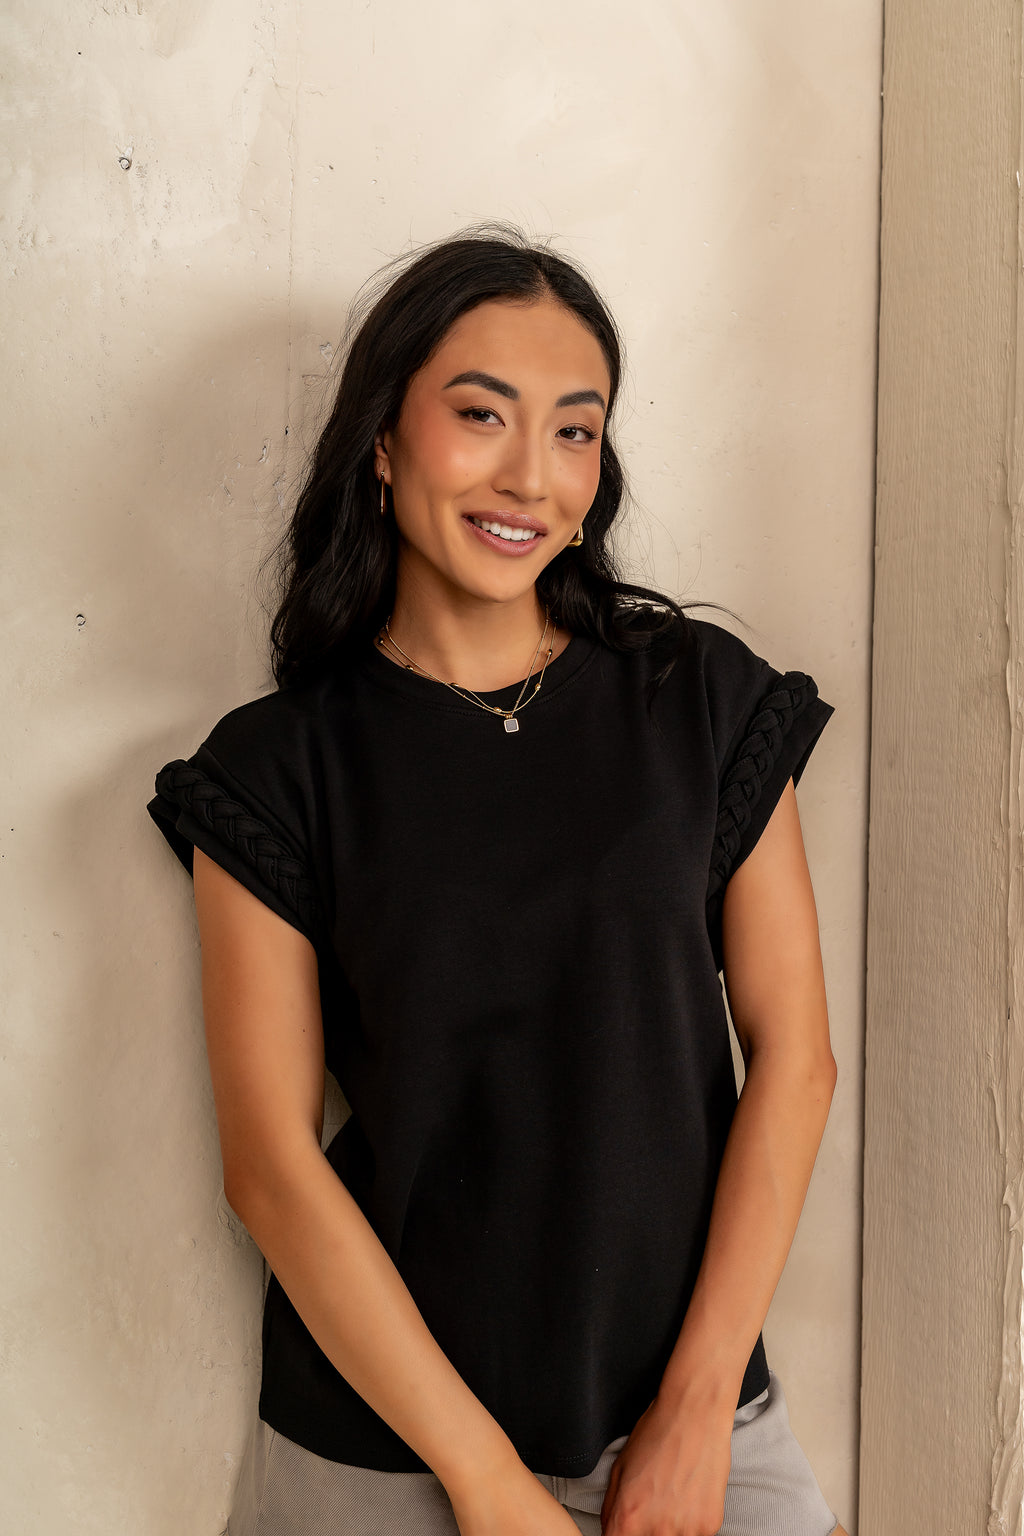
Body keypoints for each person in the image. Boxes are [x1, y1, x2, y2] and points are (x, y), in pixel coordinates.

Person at [148, 228, 848, 1536]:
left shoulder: (696, 698)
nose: (532, 473)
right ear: (383, 438)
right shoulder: (278, 767)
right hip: (387, 1446)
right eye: (482, 415)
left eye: (575, 431)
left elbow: (796, 1061)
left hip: (690, 1426)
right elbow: (271, 1167)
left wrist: (699, 1408)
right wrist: (481, 1479)